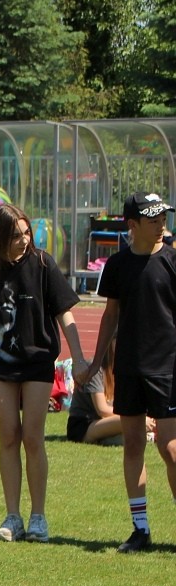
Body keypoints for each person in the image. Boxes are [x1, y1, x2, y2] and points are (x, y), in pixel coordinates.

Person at [0, 204, 86, 543]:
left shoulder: (43, 263)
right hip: (2, 364)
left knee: (33, 437)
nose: (23, 240)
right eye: (15, 235)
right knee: (8, 437)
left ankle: (38, 518)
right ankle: (12, 517)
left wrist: (78, 357)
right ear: (0, 237)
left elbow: (66, 315)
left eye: (26, 233)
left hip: (38, 363)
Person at [77, 191, 176, 553]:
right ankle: (141, 529)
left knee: (170, 448)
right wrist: (93, 362)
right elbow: (110, 316)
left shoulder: (172, 260)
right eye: (153, 220)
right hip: (131, 367)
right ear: (132, 226)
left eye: (163, 217)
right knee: (133, 444)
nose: (162, 224)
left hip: (168, 367)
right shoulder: (117, 266)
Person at [68, 337, 133, 445]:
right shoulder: (94, 367)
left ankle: (111, 439)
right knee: (133, 421)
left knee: (135, 425)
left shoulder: (126, 369)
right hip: (85, 425)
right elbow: (102, 410)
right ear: (110, 342)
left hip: (108, 423)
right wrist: (136, 416)